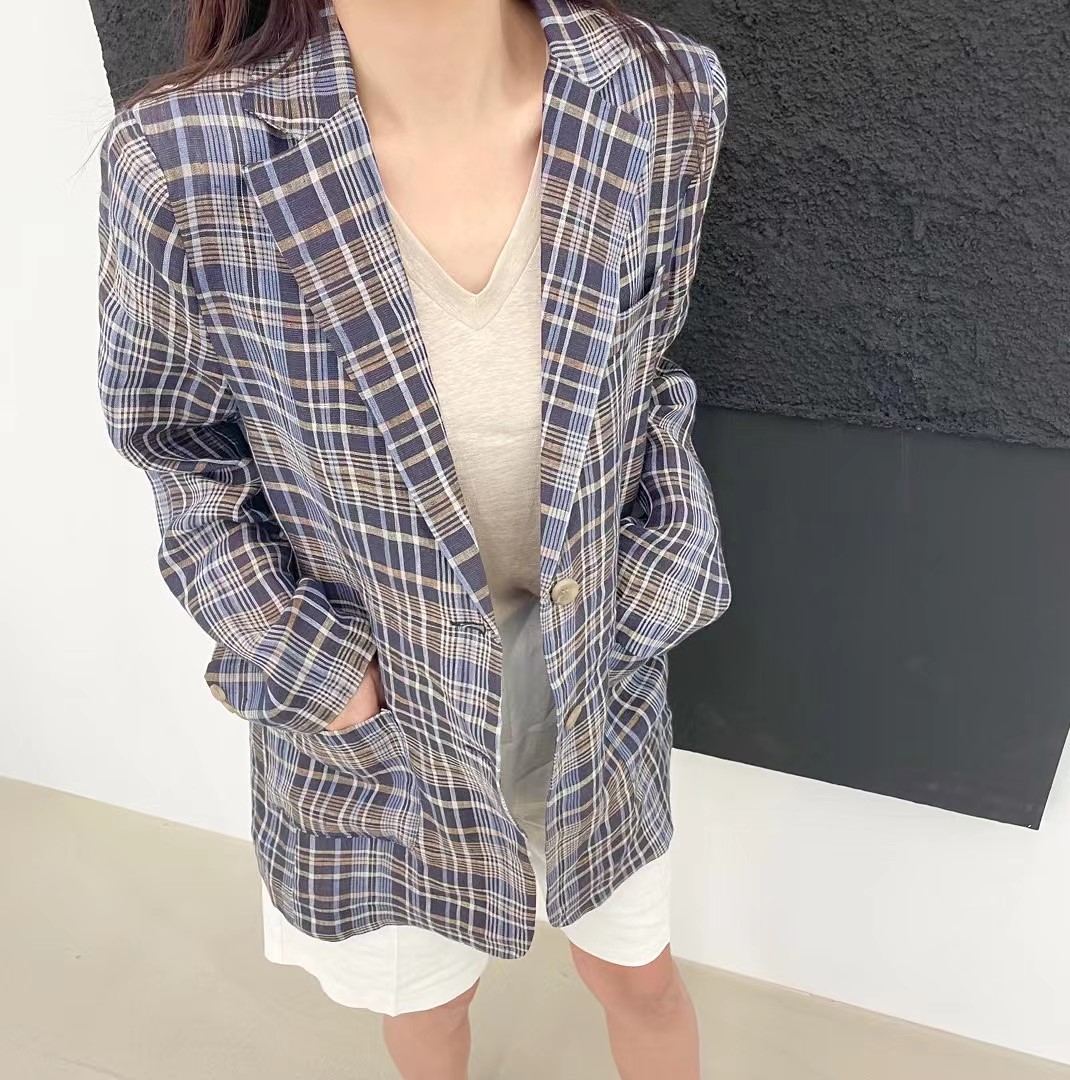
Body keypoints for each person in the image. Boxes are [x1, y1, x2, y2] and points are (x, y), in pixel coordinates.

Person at [96, 0, 730, 1076]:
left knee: (641, 978)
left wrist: (659, 573)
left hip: (593, 665)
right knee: (429, 1011)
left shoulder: (660, 90)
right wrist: (326, 673)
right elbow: (180, 456)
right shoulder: (182, 156)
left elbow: (652, 362)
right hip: (380, 706)